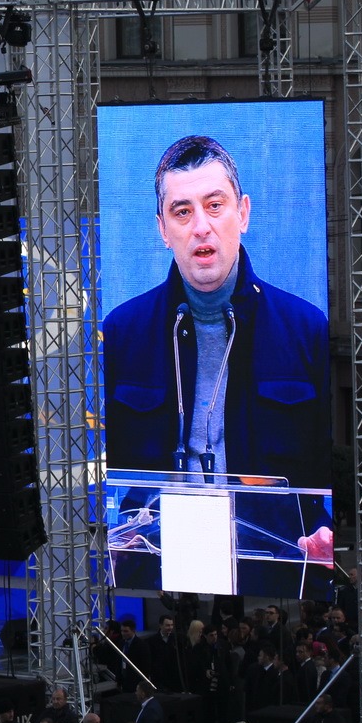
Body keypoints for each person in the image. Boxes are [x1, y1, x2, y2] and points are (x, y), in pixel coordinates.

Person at [102, 135, 329, 490]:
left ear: (243, 213)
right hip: (157, 526)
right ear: (163, 230)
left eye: (214, 206)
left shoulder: (307, 330)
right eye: (182, 212)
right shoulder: (122, 333)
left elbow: (325, 476)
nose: (201, 227)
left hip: (265, 527)